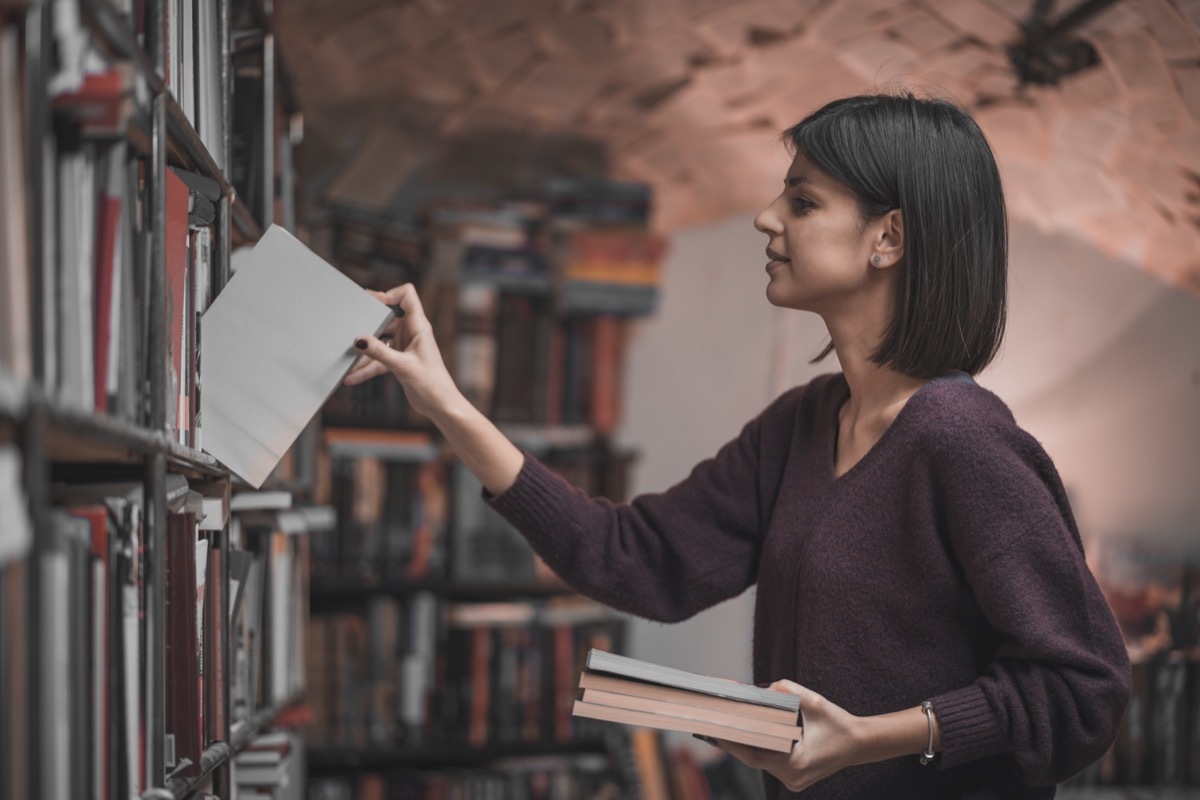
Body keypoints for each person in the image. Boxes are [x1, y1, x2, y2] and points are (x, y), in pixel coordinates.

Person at [342, 92, 1131, 798]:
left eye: (803, 201)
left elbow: (1083, 688)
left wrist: (873, 737)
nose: (766, 217)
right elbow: (635, 560)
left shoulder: (963, 440)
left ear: (888, 238)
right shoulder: (800, 426)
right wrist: (445, 404)